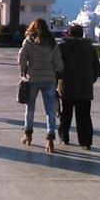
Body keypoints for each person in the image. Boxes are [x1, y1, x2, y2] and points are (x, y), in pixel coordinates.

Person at [17, 18, 64, 152]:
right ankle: (50, 140)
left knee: (30, 108)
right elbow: (59, 63)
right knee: (50, 111)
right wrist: (58, 70)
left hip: (33, 78)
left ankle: (28, 135)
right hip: (49, 79)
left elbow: (21, 58)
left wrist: (23, 72)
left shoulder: (28, 42)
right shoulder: (52, 43)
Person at [57, 24, 100, 149]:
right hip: (85, 87)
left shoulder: (63, 47)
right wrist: (90, 80)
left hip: (67, 85)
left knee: (66, 114)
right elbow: (96, 67)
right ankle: (86, 141)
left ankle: (64, 137)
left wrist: (58, 80)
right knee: (84, 116)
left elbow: (58, 66)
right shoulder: (89, 47)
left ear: (69, 34)